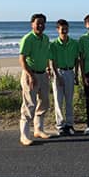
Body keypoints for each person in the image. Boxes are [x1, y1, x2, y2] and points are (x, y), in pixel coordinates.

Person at [18, 13, 52, 146]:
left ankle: (38, 129)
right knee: (29, 104)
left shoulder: (46, 38)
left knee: (44, 102)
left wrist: (48, 68)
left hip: (43, 74)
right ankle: (24, 135)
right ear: (32, 24)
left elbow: (46, 55)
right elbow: (21, 59)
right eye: (38, 23)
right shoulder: (28, 39)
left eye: (43, 23)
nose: (40, 25)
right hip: (30, 75)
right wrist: (30, 75)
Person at [48, 19, 79, 136]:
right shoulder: (53, 45)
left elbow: (77, 59)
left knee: (69, 100)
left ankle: (70, 124)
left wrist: (76, 74)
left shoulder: (74, 43)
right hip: (58, 72)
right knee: (58, 100)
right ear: (57, 30)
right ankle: (60, 125)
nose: (64, 31)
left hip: (70, 72)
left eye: (66, 29)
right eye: (62, 29)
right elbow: (52, 61)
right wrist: (57, 75)